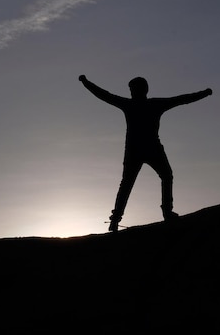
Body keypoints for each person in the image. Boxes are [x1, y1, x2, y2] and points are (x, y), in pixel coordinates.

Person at [79, 75, 212, 232]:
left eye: (133, 89)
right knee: (141, 181)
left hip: (143, 150)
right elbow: (104, 95)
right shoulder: (145, 104)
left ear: (143, 89)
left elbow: (182, 99)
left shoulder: (139, 104)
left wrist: (204, 93)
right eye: (131, 89)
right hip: (145, 149)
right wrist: (86, 83)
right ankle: (122, 219)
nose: (131, 92)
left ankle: (127, 218)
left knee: (153, 178)